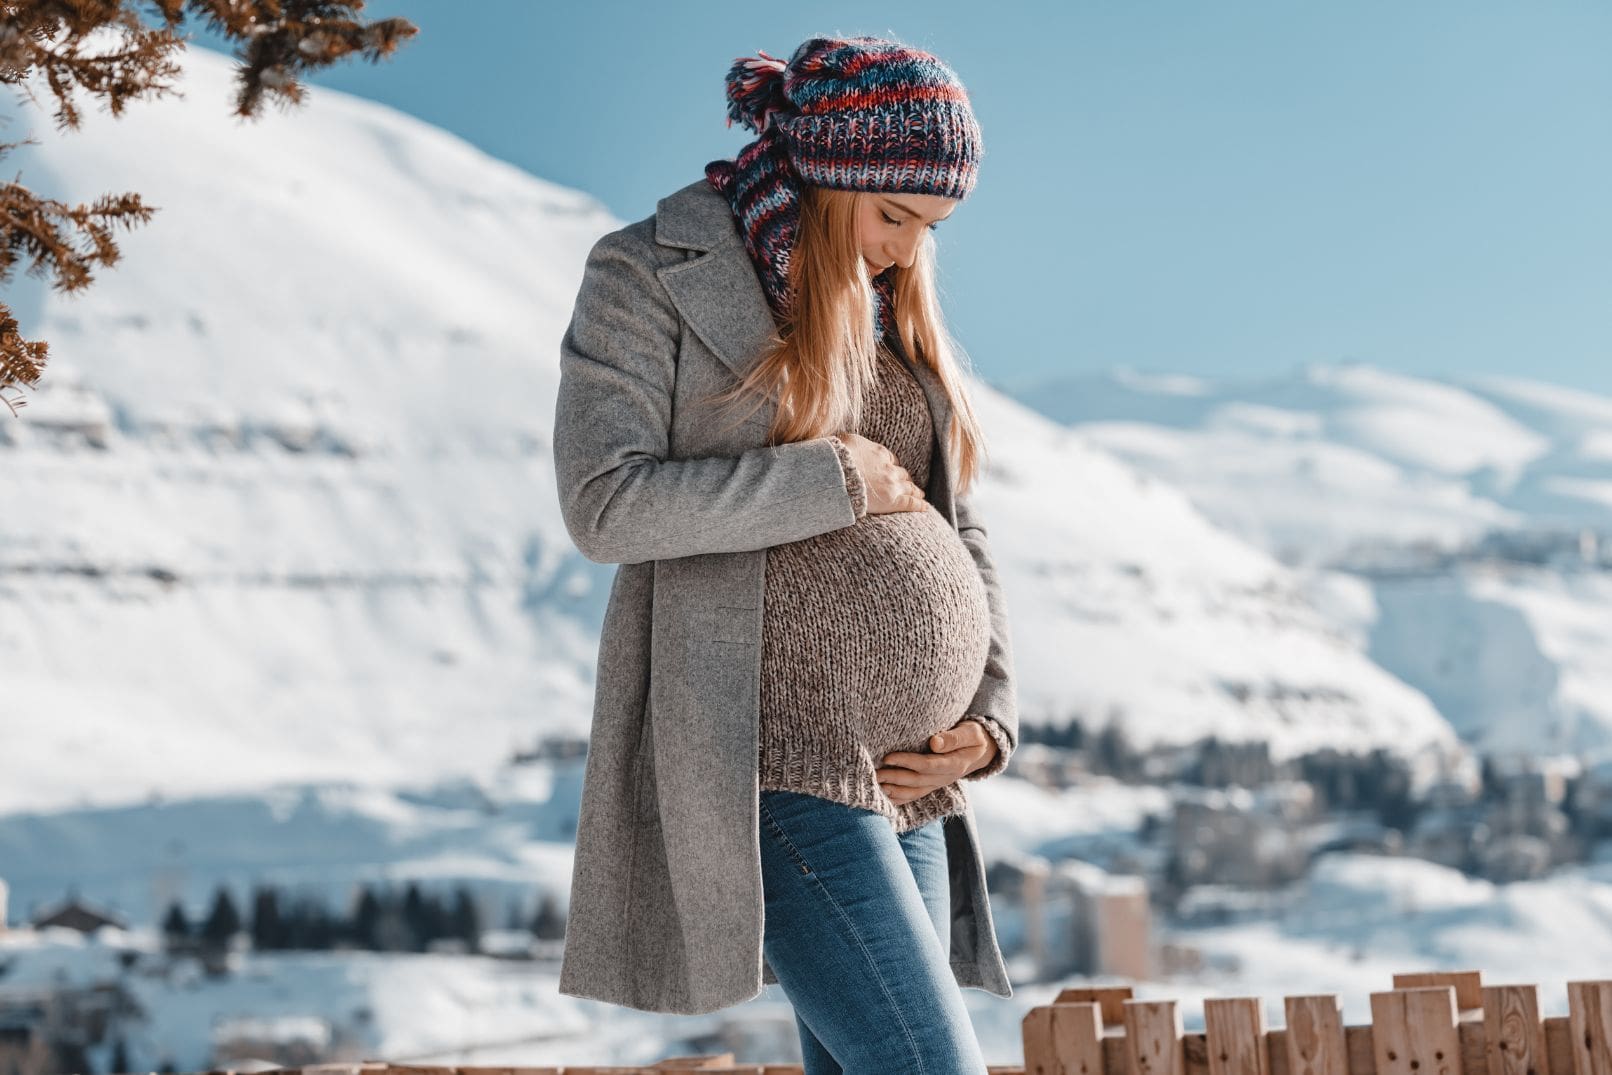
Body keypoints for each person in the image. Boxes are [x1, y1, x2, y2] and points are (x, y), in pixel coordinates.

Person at [552, 33, 1018, 1075]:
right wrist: (830, 480)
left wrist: (988, 721)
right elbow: (604, 503)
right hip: (772, 760)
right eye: (891, 214)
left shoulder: (889, 309)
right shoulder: (650, 273)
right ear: (823, 174)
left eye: (930, 227)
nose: (906, 249)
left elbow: (957, 526)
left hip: (908, 780)